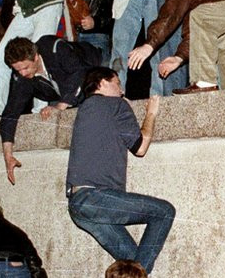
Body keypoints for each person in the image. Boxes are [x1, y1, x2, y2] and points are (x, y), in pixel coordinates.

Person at [66, 68, 174, 275]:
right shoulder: (115, 104)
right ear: (102, 83)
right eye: (117, 83)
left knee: (134, 264)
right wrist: (151, 113)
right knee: (164, 211)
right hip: (95, 197)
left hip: (78, 206)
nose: (122, 90)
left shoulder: (85, 109)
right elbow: (140, 147)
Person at [0, 36, 101, 184]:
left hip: (93, 66)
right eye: (17, 69)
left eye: (25, 67)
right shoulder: (22, 76)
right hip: (63, 87)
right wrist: (8, 156)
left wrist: (60, 106)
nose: (22, 73)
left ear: (35, 56)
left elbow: (79, 74)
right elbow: (10, 113)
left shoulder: (54, 47)